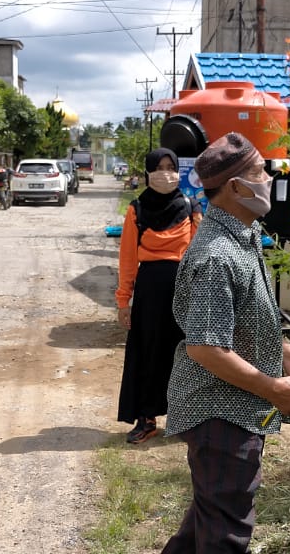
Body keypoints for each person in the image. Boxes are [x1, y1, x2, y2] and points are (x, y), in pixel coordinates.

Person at [161, 132, 290, 553]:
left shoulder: (243, 236)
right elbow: (206, 348)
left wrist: (287, 356)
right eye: (260, 171)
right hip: (218, 411)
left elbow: (240, 324)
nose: (269, 178)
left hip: (229, 408)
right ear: (236, 187)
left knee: (207, 519)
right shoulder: (217, 253)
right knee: (226, 532)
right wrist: (272, 387)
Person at [116, 148, 201, 444]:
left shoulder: (191, 206)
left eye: (170, 166)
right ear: (148, 172)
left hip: (184, 289)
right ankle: (146, 417)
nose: (165, 173)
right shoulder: (137, 210)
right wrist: (123, 301)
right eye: (159, 167)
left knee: (185, 353)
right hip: (150, 291)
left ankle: (186, 418)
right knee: (147, 352)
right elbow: (128, 259)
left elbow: (200, 253)